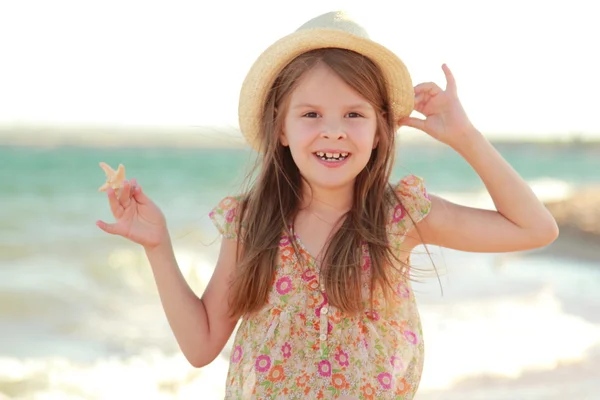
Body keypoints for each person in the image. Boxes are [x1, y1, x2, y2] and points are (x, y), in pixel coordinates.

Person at [96, 11, 558, 400]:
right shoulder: (251, 222)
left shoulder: (400, 216)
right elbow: (200, 345)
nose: (333, 130)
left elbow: (535, 228)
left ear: (380, 132)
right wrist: (157, 247)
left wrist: (465, 137)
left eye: (353, 115)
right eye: (311, 114)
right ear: (281, 129)